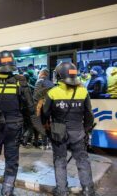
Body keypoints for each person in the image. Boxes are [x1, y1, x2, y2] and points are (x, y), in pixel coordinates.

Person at [0, 51, 45, 196]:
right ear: (13, 64)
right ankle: (7, 190)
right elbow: (30, 108)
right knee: (11, 160)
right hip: (13, 128)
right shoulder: (20, 82)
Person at [42, 62, 95, 196]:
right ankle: (88, 190)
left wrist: (48, 130)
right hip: (78, 132)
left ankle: (62, 190)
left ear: (59, 75)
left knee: (60, 160)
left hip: (58, 132)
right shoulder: (83, 91)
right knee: (82, 160)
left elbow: (45, 114)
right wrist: (86, 130)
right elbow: (89, 114)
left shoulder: (52, 92)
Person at [33, 68, 55, 150]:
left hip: (40, 107)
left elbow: (36, 96)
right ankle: (49, 143)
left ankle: (43, 143)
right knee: (47, 124)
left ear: (42, 74)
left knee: (40, 125)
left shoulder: (39, 82)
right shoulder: (51, 83)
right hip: (49, 107)